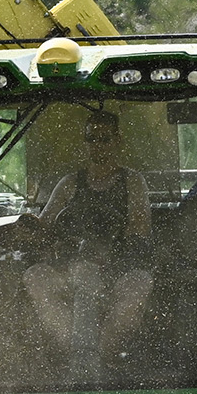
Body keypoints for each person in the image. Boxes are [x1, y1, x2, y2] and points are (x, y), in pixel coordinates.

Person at [21, 111, 155, 367]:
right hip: (70, 270)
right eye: (92, 138)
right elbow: (44, 227)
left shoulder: (133, 182)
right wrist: (27, 229)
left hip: (118, 270)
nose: (98, 144)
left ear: (118, 140)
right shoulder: (70, 184)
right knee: (35, 276)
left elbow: (139, 229)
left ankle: (101, 359)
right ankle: (72, 354)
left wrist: (107, 249)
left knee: (140, 283)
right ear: (84, 142)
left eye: (105, 138)